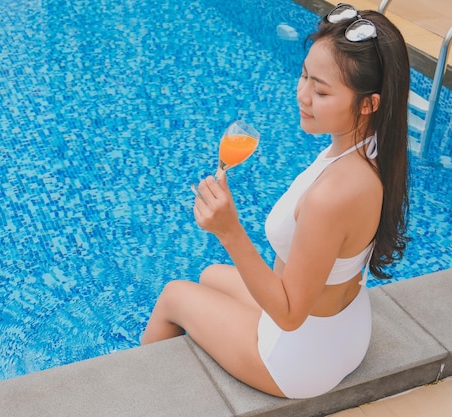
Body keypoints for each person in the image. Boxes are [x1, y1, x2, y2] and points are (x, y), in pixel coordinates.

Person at [141, 3, 411, 399]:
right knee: (211, 276)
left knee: (173, 296)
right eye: (304, 76)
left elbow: (288, 314)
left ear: (369, 103)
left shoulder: (334, 195)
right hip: (345, 329)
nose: (302, 95)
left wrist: (229, 230)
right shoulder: (372, 152)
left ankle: (140, 394)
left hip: (299, 358)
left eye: (320, 90)